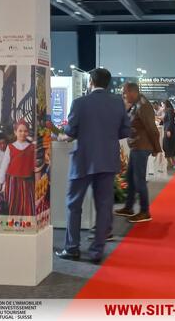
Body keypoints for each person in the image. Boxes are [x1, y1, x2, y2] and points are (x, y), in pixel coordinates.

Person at [55, 68, 131, 263]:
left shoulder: (80, 103)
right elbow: (125, 131)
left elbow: (70, 132)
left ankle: (72, 248)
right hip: (107, 160)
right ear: (108, 83)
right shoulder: (118, 103)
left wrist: (62, 136)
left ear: (90, 82)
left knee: (74, 204)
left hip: (83, 160)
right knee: (104, 206)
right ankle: (97, 251)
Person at [115, 82, 161, 223]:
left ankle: (145, 211)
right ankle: (129, 207)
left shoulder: (143, 106)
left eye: (125, 93)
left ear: (133, 92)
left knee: (139, 180)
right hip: (137, 146)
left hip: (142, 147)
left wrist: (157, 148)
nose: (124, 95)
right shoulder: (137, 104)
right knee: (130, 178)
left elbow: (152, 128)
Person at [0, 120, 36, 216]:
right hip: (13, 182)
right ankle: (13, 222)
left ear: (28, 132)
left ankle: (26, 222)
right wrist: (0, 183)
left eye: (25, 131)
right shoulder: (10, 147)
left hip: (27, 182)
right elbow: (4, 165)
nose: (23, 133)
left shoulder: (32, 147)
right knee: (13, 204)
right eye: (20, 131)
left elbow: (35, 165)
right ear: (15, 132)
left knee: (27, 204)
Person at [162, 99, 175, 169]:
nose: (162, 106)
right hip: (171, 129)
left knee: (167, 146)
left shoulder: (169, 110)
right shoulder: (170, 110)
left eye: (163, 105)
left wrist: (168, 130)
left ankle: (170, 163)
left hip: (170, 130)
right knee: (170, 146)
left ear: (165, 104)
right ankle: (172, 162)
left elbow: (170, 120)